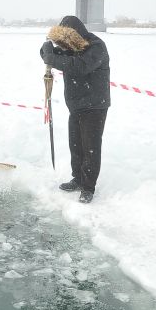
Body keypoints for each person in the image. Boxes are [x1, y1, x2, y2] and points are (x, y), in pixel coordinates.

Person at [40, 15, 110, 204]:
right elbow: (56, 57)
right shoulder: (71, 47)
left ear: (76, 33)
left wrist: (52, 58)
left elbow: (80, 66)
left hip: (95, 106)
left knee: (91, 148)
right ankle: (78, 179)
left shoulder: (96, 46)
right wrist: (46, 49)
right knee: (76, 145)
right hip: (76, 105)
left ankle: (88, 187)